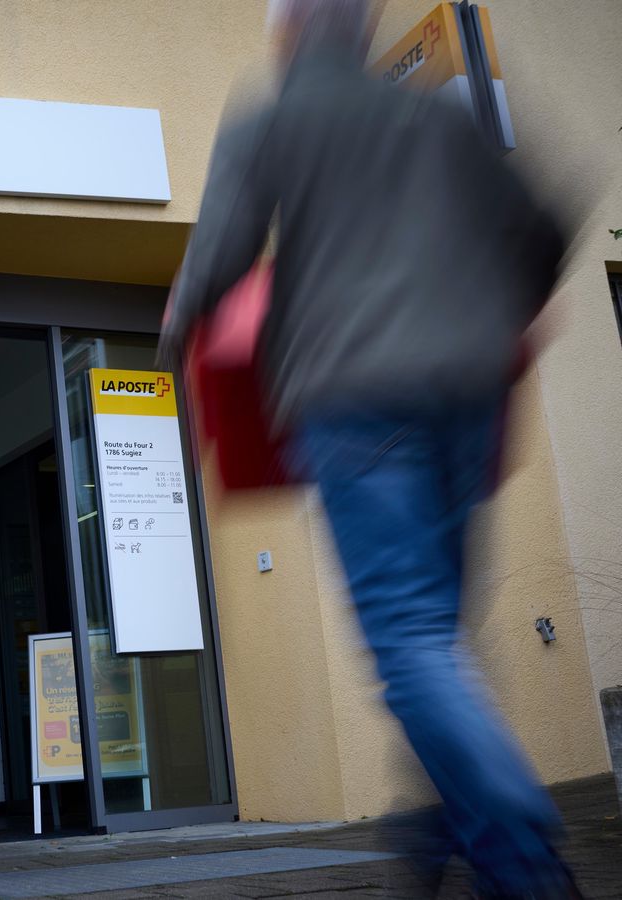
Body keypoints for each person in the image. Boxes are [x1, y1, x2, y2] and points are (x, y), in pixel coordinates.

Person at [159, 1, 574, 897]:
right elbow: (545, 224)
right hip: (468, 394)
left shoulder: (269, 119)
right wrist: (502, 308)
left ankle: (518, 836)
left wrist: (175, 323)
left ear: (287, 33)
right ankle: (441, 842)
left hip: (356, 398)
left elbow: (224, 249)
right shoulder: (436, 116)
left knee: (413, 642)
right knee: (442, 643)